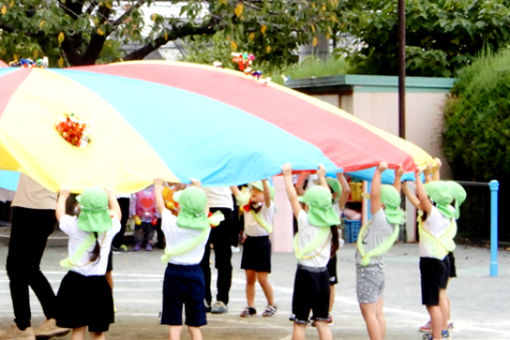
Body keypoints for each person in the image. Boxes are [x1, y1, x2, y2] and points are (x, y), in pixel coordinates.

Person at [1, 174, 69, 339]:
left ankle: (24, 326)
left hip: (29, 206)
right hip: (44, 208)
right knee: (28, 268)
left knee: (17, 268)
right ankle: (52, 317)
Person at [54, 187, 121, 340]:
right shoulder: (111, 227)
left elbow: (59, 214)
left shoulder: (73, 224)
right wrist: (111, 195)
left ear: (81, 207)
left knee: (77, 329)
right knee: (98, 332)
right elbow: (117, 213)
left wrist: (63, 196)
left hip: (75, 282)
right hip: (99, 285)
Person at [282, 163, 340, 340]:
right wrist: (322, 177)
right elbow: (325, 201)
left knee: (300, 323)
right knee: (322, 323)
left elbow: (293, 199)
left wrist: (287, 176)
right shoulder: (330, 225)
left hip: (305, 275)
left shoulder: (305, 220)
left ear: (309, 205)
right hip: (323, 275)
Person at [154, 178, 211, 340]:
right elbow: (206, 209)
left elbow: (161, 206)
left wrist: (158, 186)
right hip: (195, 273)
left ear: (180, 206)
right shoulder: (205, 225)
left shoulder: (171, 222)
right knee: (195, 325)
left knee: (175, 324)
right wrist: (199, 187)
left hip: (174, 272)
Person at [414, 168, 465, 340]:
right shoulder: (448, 211)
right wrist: (432, 172)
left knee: (432, 303)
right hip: (442, 258)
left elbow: (423, 196)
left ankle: (437, 335)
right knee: (440, 295)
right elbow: (431, 192)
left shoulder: (433, 214)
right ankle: (442, 330)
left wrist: (417, 177)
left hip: (432, 261)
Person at [355, 163, 404, 340]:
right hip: (378, 270)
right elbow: (392, 197)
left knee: (369, 314)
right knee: (377, 313)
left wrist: (378, 172)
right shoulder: (393, 216)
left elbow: (375, 196)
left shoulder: (380, 219)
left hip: (368, 271)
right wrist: (397, 178)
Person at [296, 172, 351, 325]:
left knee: (329, 283)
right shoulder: (313, 204)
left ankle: (326, 312)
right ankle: (315, 312)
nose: (320, 188)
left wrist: (340, 175)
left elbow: (345, 190)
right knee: (318, 282)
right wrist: (304, 174)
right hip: (314, 251)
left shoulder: (334, 206)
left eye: (323, 187)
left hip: (328, 251)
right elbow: (299, 190)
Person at [231, 180, 277, 317]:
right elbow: (236, 191)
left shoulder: (268, 206)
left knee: (262, 278)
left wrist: (264, 182)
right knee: (249, 278)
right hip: (250, 242)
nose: (254, 192)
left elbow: (268, 197)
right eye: (253, 190)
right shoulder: (247, 205)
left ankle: (271, 304)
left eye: (258, 190)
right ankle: (250, 306)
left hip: (262, 242)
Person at [200, 186, 234, 314]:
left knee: (223, 258)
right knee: (202, 258)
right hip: (202, 206)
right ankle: (204, 298)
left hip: (223, 205)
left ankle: (222, 299)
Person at [132, 185, 158, 251]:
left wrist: (157, 216)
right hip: (140, 216)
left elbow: (157, 204)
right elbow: (133, 203)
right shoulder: (137, 191)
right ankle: (138, 243)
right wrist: (133, 214)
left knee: (151, 231)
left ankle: (149, 243)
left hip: (151, 216)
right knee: (139, 231)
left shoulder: (156, 192)